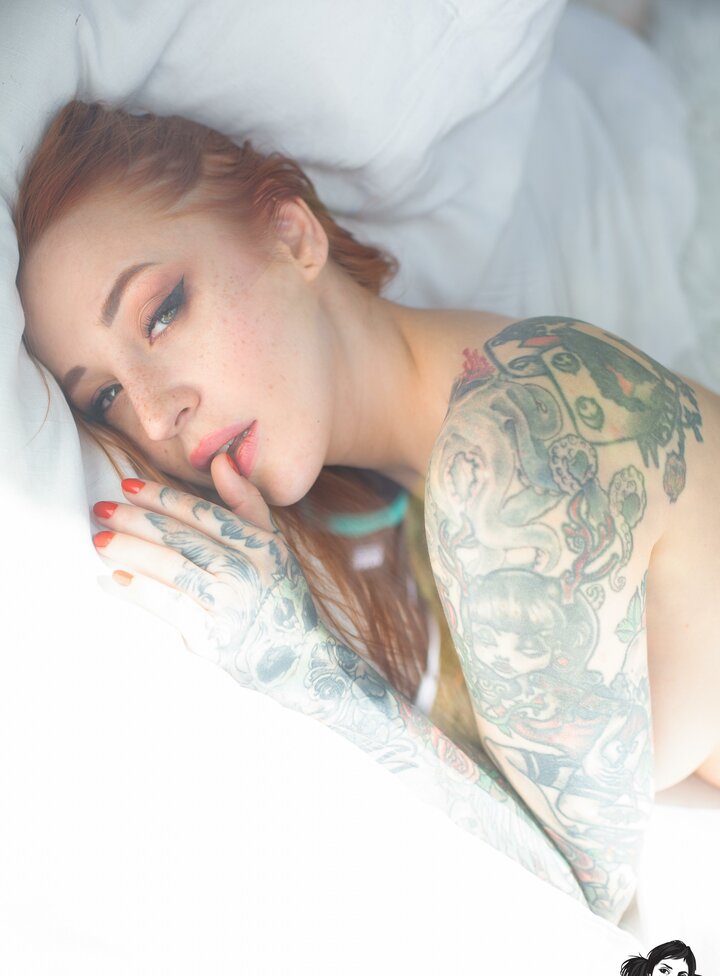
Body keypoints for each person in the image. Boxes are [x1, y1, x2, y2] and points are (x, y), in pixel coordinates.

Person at [13, 100, 720, 924]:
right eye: (105, 398)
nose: (155, 413)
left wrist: (295, 661)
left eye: (162, 312)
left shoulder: (504, 459)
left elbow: (573, 906)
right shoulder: (434, 445)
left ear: (293, 236)